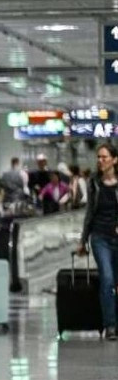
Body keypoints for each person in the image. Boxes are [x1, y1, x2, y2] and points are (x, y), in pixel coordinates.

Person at [77, 143, 118, 340]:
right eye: (99, 157)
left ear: (114, 160)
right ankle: (110, 325)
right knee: (107, 278)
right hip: (100, 236)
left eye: (104, 157)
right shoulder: (94, 182)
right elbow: (89, 212)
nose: (100, 161)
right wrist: (83, 240)